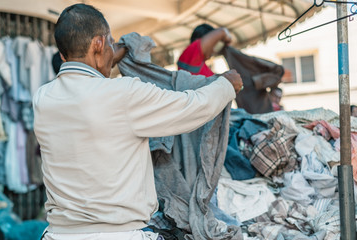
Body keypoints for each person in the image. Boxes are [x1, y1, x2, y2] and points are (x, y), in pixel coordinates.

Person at [33, 3, 243, 240]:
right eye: (109, 43)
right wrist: (226, 85)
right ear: (98, 44)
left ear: (62, 55)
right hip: (118, 235)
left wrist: (108, 54)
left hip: (58, 234)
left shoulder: (42, 99)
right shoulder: (122, 94)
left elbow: (83, 81)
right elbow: (192, 107)